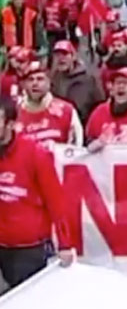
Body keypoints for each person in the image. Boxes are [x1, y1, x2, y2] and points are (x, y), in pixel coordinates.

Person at [0, 96, 75, 288]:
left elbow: (56, 200)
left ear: (10, 124)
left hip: (28, 248)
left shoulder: (35, 153)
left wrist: (65, 244)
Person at [16, 61, 83, 146]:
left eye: (40, 79)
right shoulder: (14, 113)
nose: (35, 83)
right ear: (24, 85)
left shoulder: (67, 111)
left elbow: (77, 149)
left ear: (49, 83)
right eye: (30, 79)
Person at [50, 40, 105, 124]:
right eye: (57, 55)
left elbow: (100, 104)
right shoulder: (53, 78)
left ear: (73, 57)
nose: (61, 58)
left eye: (65, 54)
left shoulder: (89, 78)